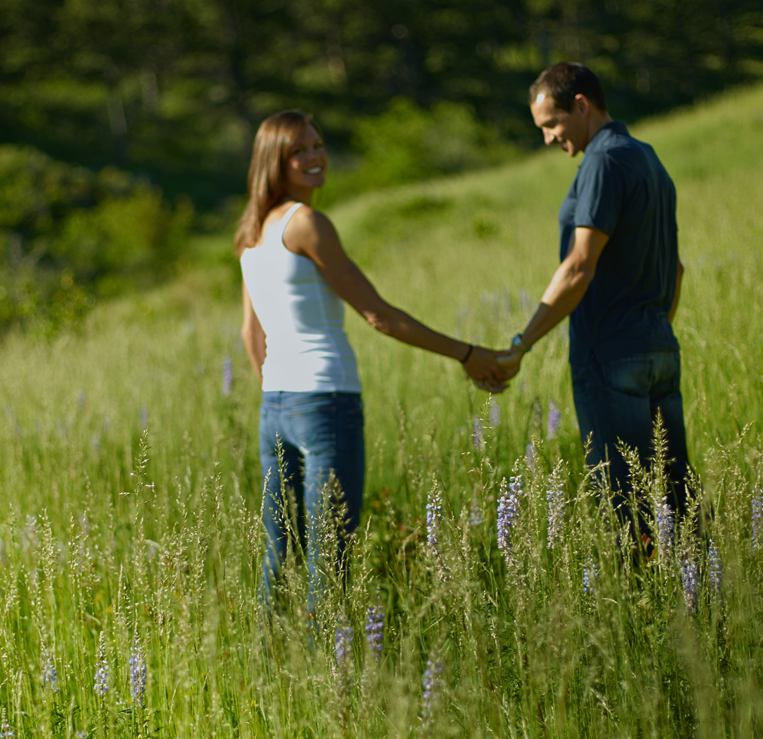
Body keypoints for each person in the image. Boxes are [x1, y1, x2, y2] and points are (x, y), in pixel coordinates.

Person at [235, 109, 504, 606]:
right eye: (300, 150)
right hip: (325, 403)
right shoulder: (307, 224)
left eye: (318, 144)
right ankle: (328, 677)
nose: (316, 156)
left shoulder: (251, 233)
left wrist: (276, 390)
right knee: (329, 560)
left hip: (275, 409)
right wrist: (466, 353)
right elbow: (378, 315)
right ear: (276, 161)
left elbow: (252, 335)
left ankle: (271, 662)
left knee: (281, 553)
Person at [496, 63, 691, 550]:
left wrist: (521, 344)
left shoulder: (603, 162)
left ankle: (648, 612)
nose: (547, 139)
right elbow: (678, 269)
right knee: (676, 501)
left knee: (627, 508)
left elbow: (579, 266)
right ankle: (702, 602)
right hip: (658, 349)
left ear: (581, 105)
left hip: (610, 354)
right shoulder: (647, 158)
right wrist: (651, 334)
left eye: (552, 125)